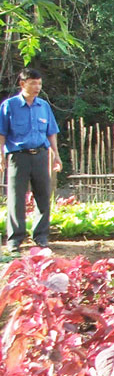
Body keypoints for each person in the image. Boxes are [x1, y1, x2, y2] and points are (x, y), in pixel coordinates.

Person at [0, 68, 63, 252]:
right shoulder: (9, 106)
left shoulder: (43, 106)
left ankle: (41, 236)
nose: (37, 87)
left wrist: (56, 155)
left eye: (39, 84)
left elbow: (51, 132)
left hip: (41, 156)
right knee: (16, 198)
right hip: (18, 157)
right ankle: (15, 239)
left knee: (43, 196)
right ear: (22, 84)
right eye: (33, 83)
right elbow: (2, 133)